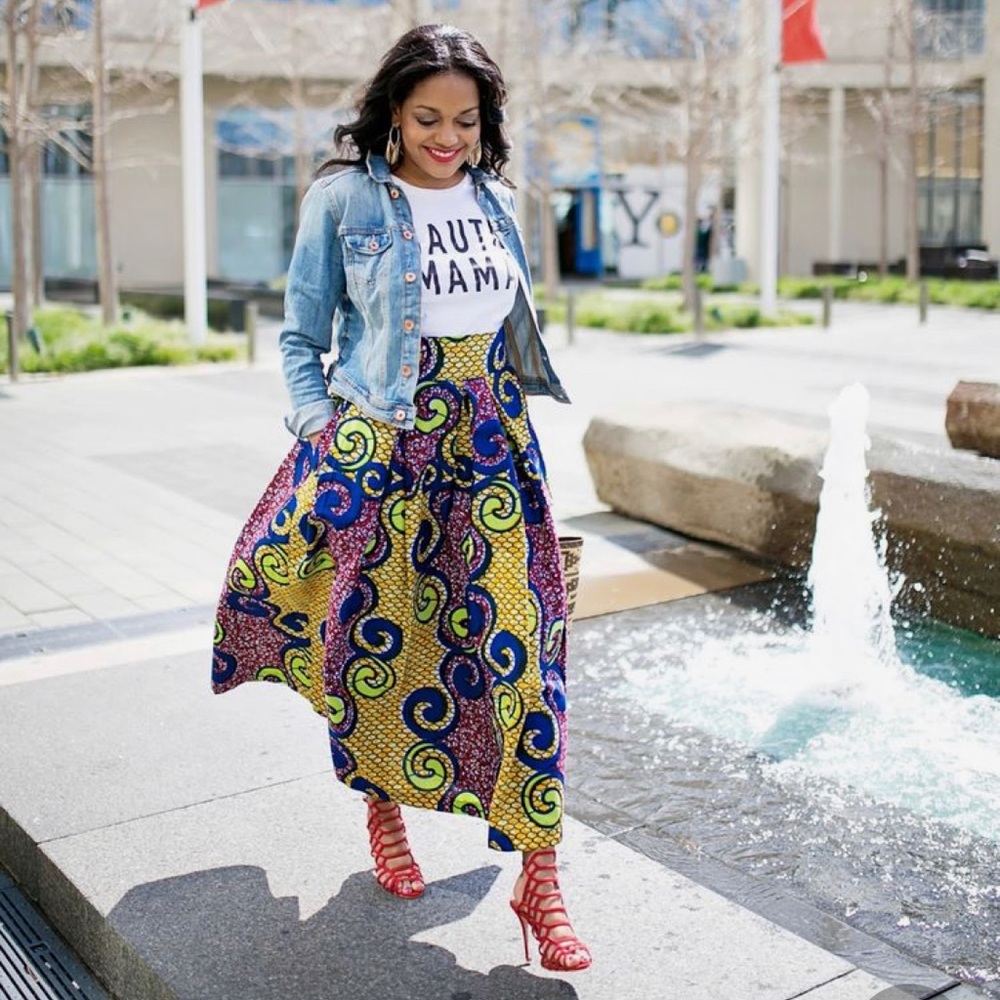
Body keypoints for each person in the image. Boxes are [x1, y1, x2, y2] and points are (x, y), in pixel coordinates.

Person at [211, 23, 591, 974]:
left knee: (523, 652)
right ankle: (383, 810)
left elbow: (502, 331)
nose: (448, 137)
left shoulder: (497, 200)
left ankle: (541, 877)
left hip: (492, 447)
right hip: (383, 444)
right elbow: (300, 337)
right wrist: (320, 429)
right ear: (392, 112)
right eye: (428, 118)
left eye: (466, 120)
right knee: (376, 645)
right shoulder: (344, 200)